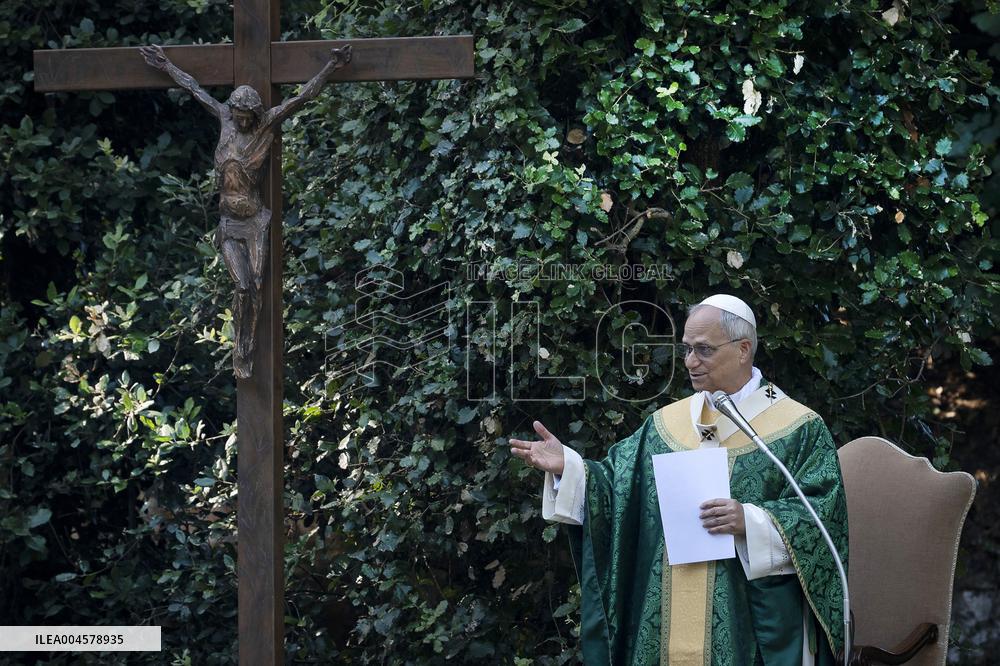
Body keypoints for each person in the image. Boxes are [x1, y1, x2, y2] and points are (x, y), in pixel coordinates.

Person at [509, 295, 848, 665]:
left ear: (743, 350)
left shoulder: (797, 428)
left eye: (703, 350)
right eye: (686, 349)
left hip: (748, 624)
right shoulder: (666, 425)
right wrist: (570, 468)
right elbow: (616, 488)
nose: (689, 362)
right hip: (661, 620)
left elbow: (822, 519)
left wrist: (750, 522)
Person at [139, 43, 352, 378]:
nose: (238, 120)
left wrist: (330, 68)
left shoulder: (265, 127)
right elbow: (194, 88)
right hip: (228, 223)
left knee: (255, 288)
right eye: (236, 115)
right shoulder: (224, 119)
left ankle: (248, 345)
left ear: (255, 115)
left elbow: (301, 99)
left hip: (254, 223)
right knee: (242, 286)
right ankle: (242, 349)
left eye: (244, 117)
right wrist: (166, 66)